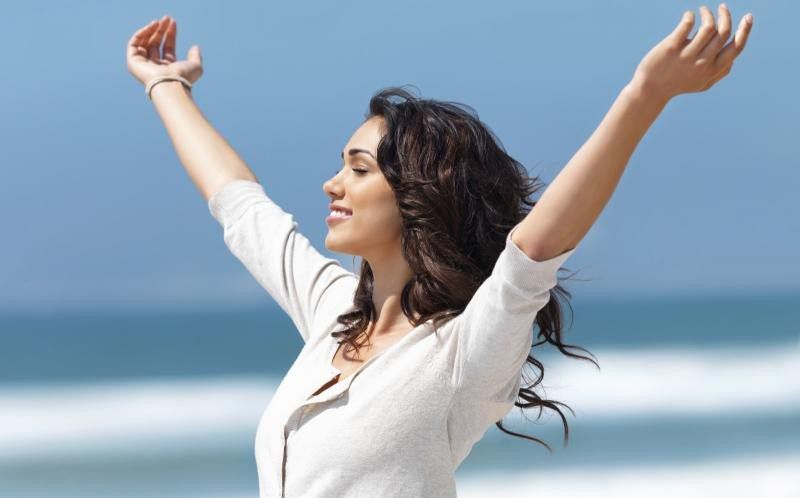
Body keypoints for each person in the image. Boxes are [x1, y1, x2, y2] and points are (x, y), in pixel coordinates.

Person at [126, 6, 753, 497]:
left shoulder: (462, 352)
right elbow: (240, 205)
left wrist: (646, 95)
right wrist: (166, 86)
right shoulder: (334, 312)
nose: (332, 183)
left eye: (359, 169)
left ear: (416, 194)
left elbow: (535, 248)